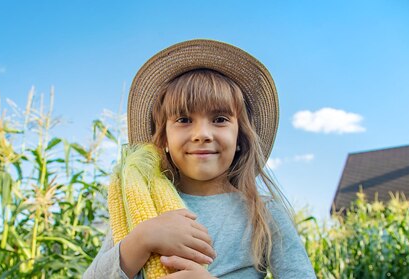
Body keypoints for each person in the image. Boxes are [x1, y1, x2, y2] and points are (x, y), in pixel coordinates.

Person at [84, 39, 315, 279]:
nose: (202, 135)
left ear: (240, 137)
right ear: (163, 138)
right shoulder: (140, 207)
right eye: (183, 120)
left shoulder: (263, 212)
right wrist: (142, 239)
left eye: (220, 119)